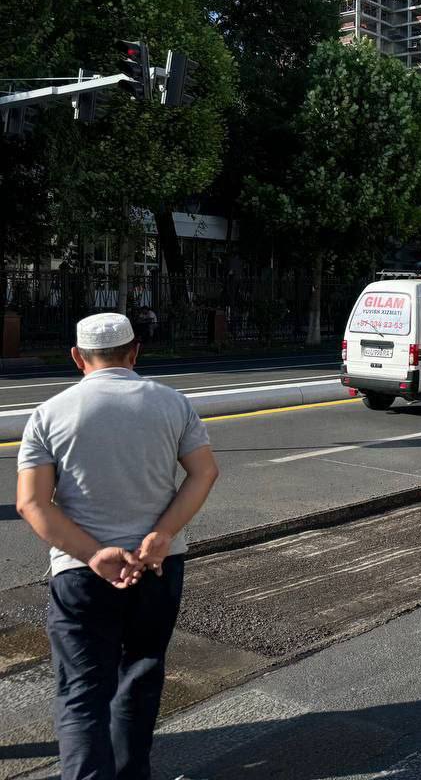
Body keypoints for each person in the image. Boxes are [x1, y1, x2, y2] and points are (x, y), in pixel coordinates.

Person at [16, 313, 219, 779]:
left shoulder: (49, 413)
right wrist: (162, 535)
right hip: (157, 568)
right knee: (139, 680)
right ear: (135, 353)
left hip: (80, 575)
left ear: (76, 357)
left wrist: (92, 553)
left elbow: (31, 503)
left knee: (83, 691)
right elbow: (203, 472)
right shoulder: (173, 404)